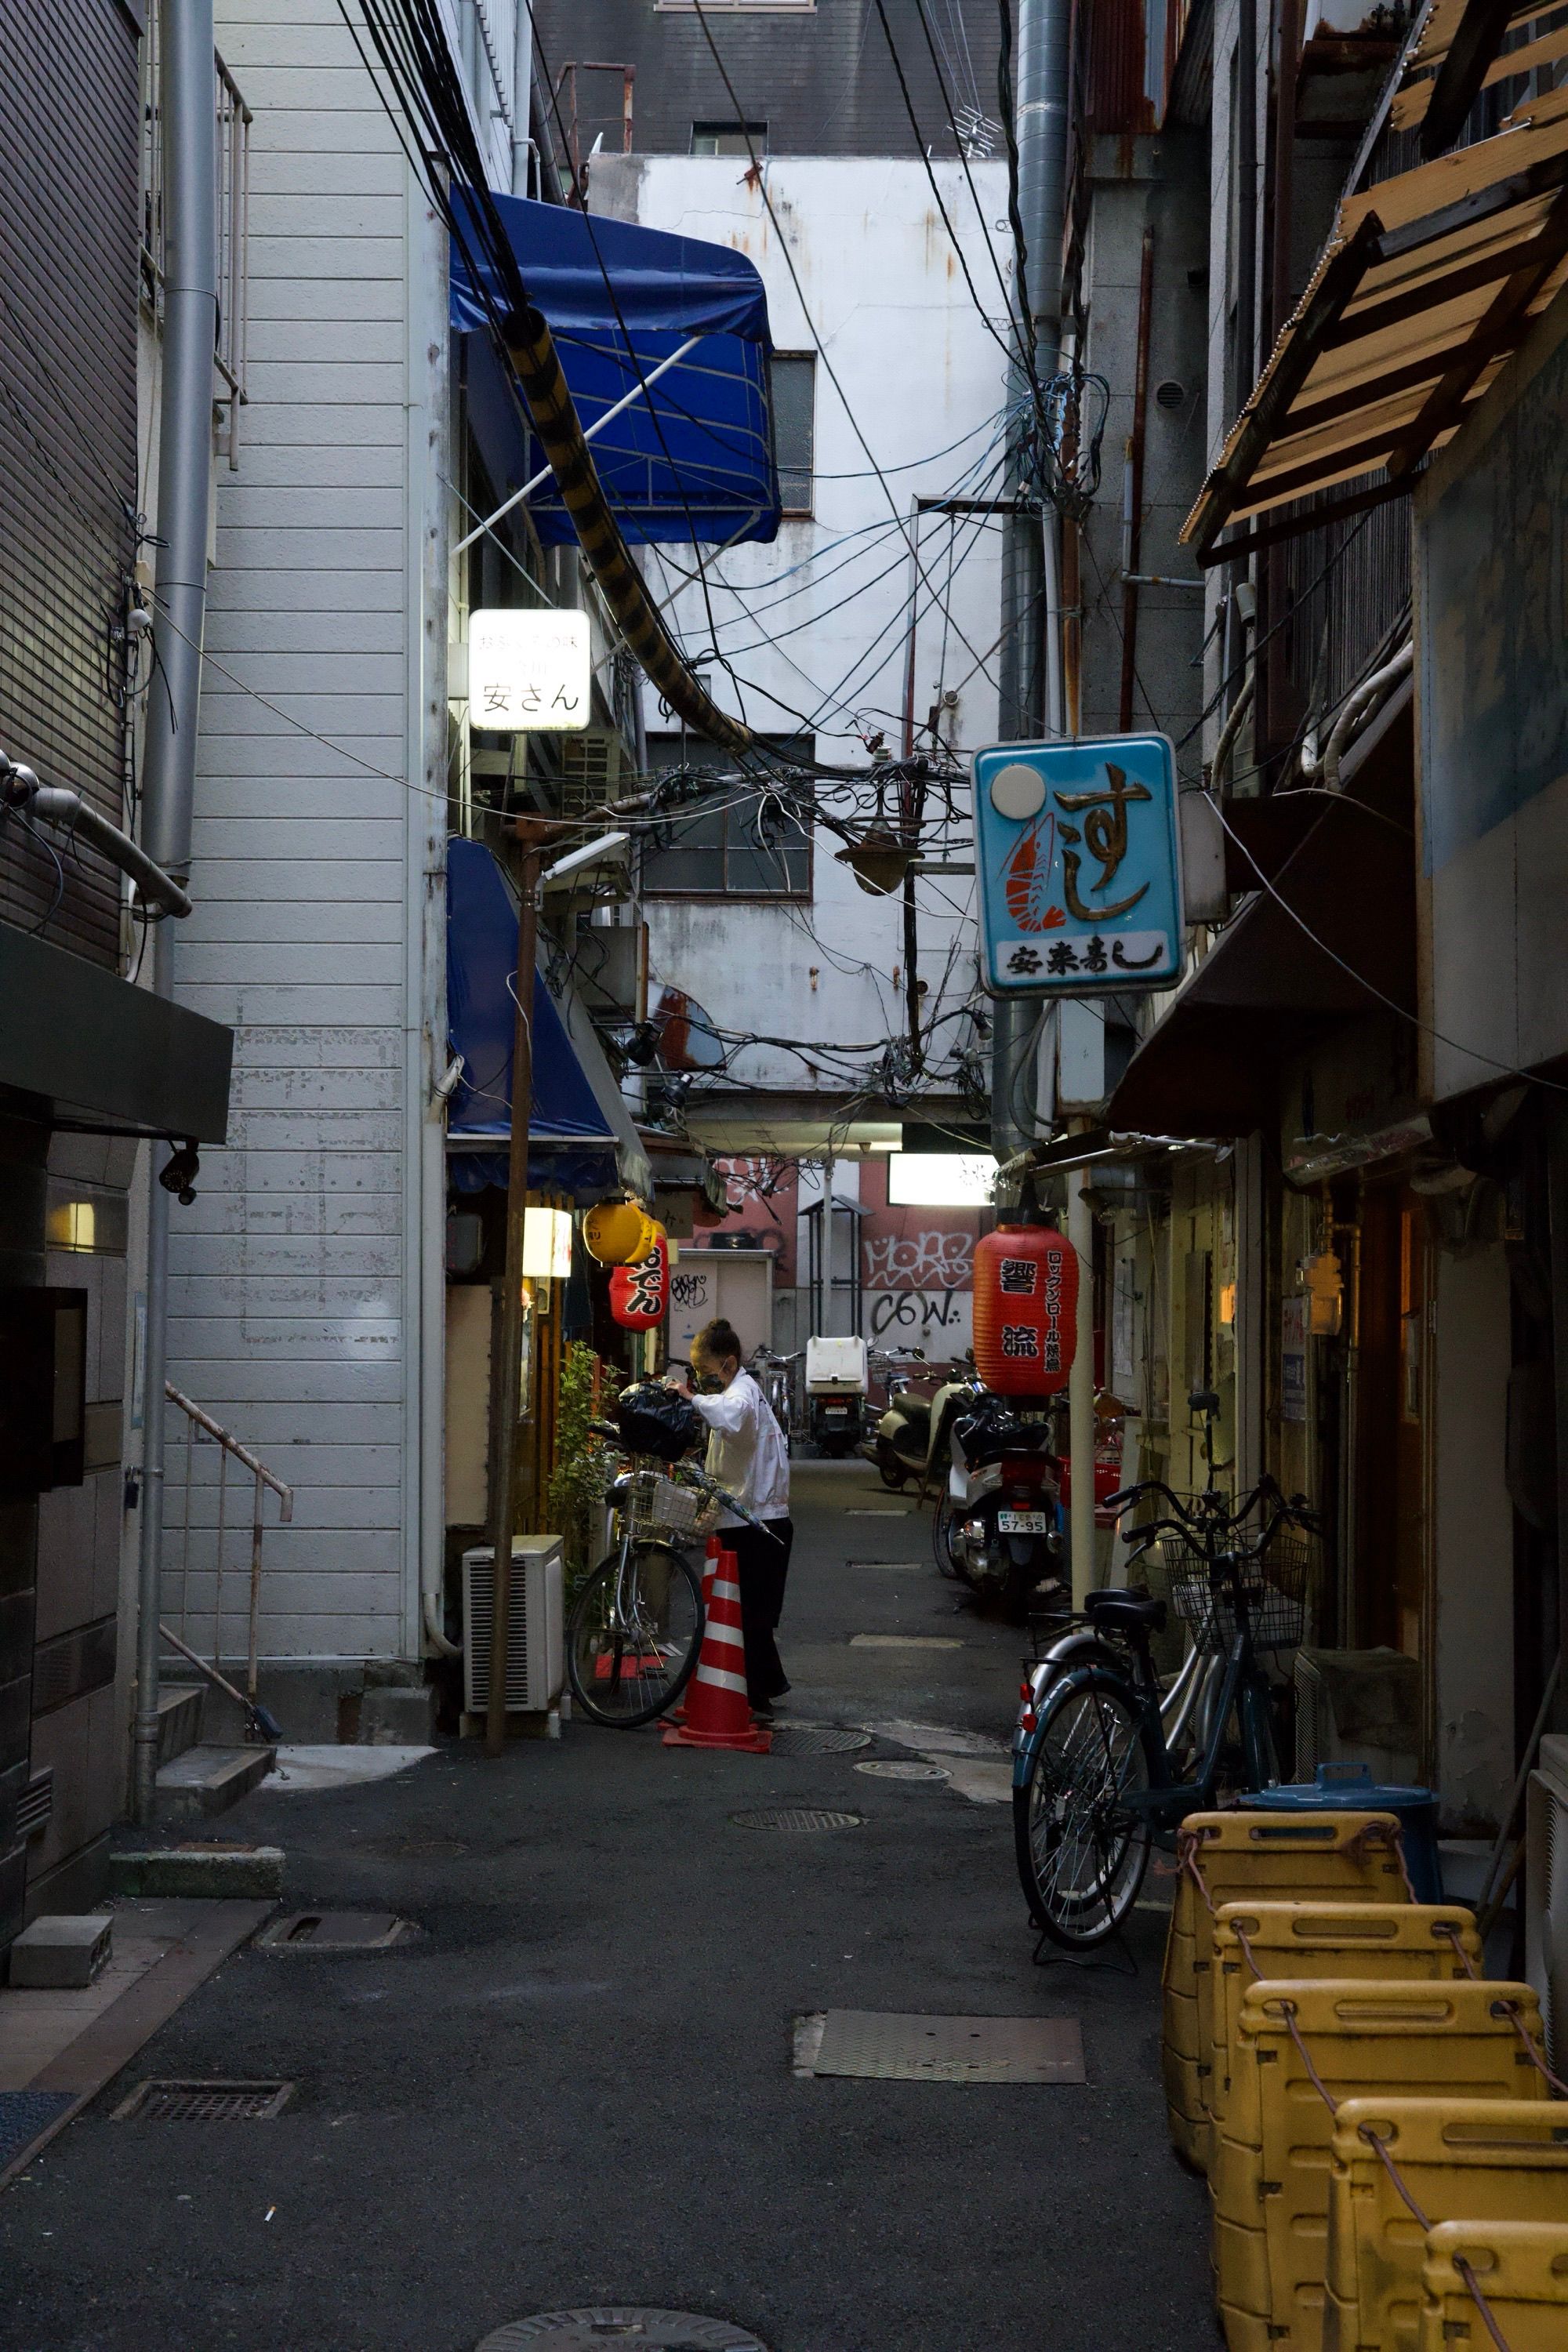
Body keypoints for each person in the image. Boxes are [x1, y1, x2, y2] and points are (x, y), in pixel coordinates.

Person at [671, 1318, 793, 1715]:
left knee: (749, 1611)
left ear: (728, 1362)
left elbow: (731, 1417)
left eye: (706, 1371)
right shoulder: (740, 1390)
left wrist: (691, 1398)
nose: (704, 1379)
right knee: (749, 1610)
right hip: (755, 1515)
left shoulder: (740, 1394)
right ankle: (762, 1687)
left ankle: (757, 1690)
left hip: (756, 1518)